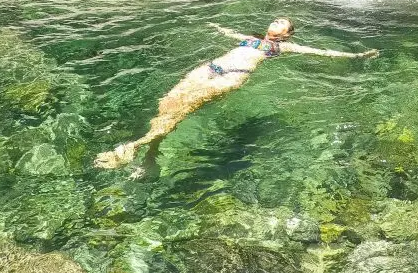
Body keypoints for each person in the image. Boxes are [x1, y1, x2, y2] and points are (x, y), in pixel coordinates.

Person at [94, 19, 378, 171]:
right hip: (208, 69)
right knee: (166, 105)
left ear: (287, 35)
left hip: (230, 78)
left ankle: (131, 147)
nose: (278, 22)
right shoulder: (251, 38)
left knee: (182, 111)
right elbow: (226, 31)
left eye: (284, 23)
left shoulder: (282, 48)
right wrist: (210, 24)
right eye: (277, 19)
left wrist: (357, 54)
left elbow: (321, 53)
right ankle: (150, 159)